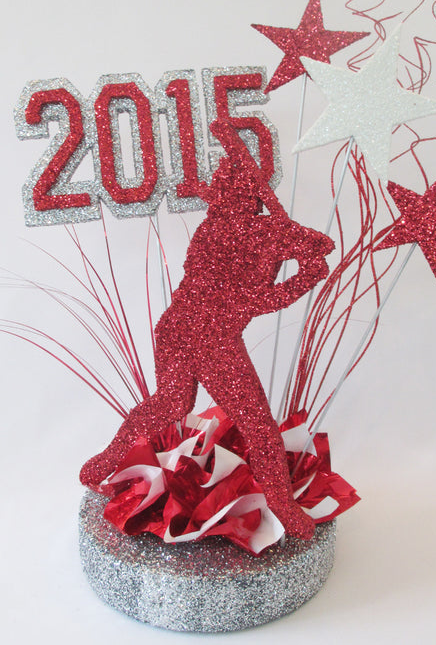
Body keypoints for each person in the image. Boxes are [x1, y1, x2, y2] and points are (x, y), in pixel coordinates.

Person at [80, 119, 334, 539]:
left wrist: (306, 250)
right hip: (207, 338)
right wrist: (305, 275)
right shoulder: (242, 233)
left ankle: (104, 462)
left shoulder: (248, 230)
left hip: (177, 329)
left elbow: (318, 245)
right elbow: (257, 300)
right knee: (256, 427)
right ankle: (283, 507)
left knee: (172, 403)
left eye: (231, 187)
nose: (227, 195)